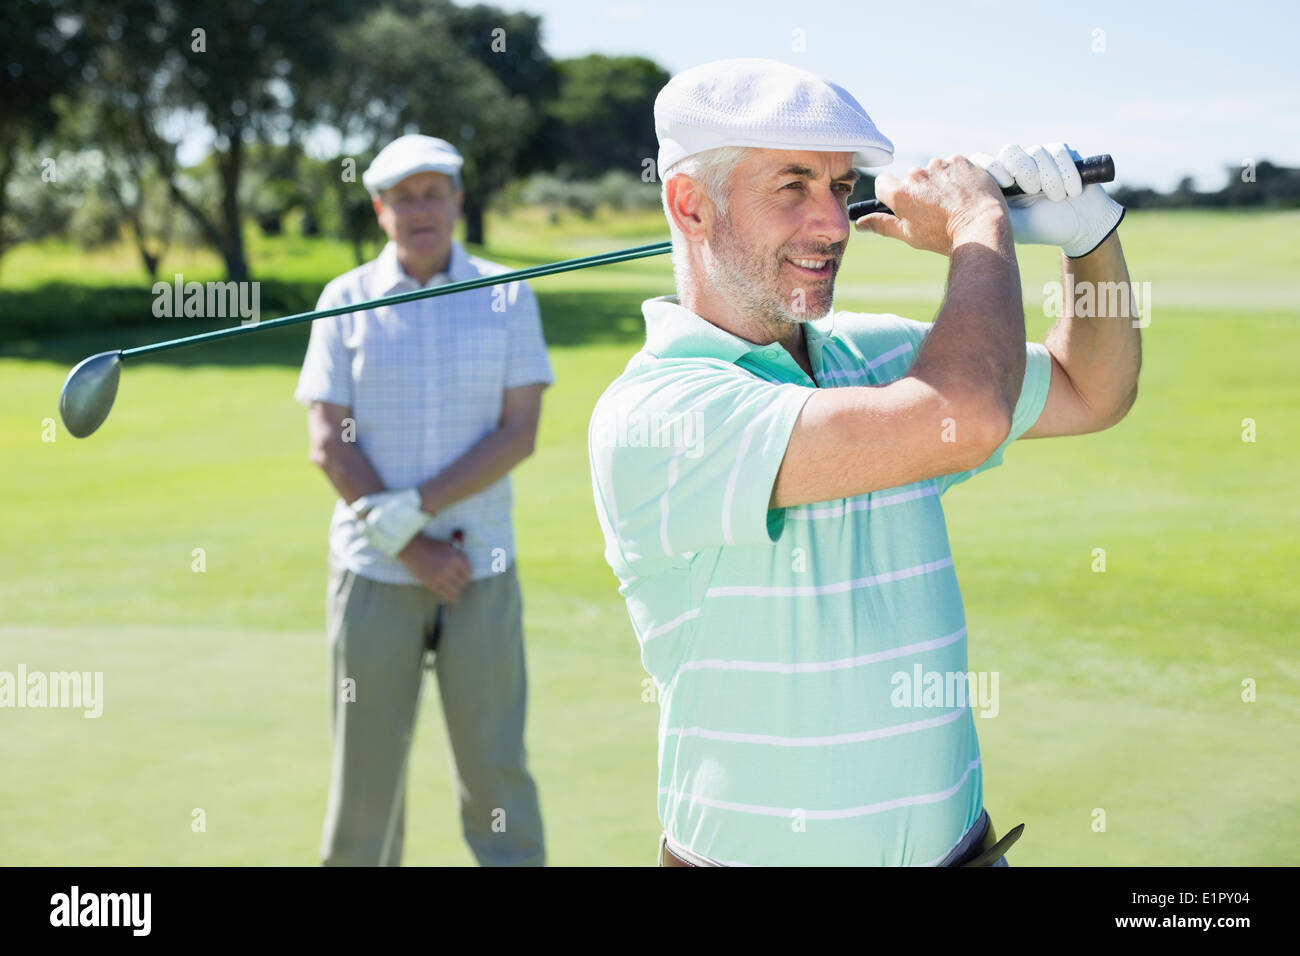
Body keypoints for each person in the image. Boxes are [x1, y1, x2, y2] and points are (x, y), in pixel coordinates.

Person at [586, 58, 1140, 866]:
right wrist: (977, 227)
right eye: (793, 185)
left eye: (842, 188)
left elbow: (1093, 389)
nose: (835, 223)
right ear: (690, 203)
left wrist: (1090, 239)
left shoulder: (878, 354)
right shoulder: (655, 415)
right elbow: (966, 413)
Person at [295, 134, 552, 866]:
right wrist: (410, 543)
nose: (419, 210)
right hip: (374, 572)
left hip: (481, 568)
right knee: (365, 779)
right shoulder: (343, 300)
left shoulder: (507, 292)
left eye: (432, 192)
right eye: (402, 197)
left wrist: (420, 513)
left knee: (496, 770)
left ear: (458, 200)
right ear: (380, 210)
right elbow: (327, 442)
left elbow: (519, 430)